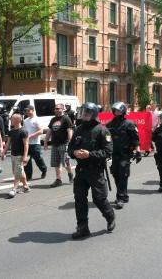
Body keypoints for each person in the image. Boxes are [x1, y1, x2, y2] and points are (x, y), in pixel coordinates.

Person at [67, 102, 115, 240]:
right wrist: (74, 152)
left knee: (99, 198)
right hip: (81, 170)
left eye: (87, 113)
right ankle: (83, 228)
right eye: (83, 112)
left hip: (96, 170)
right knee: (79, 199)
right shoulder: (78, 129)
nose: (84, 115)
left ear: (93, 114)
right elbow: (70, 148)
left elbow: (108, 151)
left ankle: (110, 216)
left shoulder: (102, 130)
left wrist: (90, 154)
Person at [106, 102, 140, 209]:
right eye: (115, 110)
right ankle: (124, 195)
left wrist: (138, 151)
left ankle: (120, 197)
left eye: (119, 110)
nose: (117, 112)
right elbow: (106, 139)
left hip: (125, 154)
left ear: (123, 111)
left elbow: (135, 139)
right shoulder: (109, 125)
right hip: (114, 154)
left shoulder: (129, 124)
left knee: (123, 174)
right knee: (116, 174)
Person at [44, 103, 74, 188]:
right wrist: (46, 142)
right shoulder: (53, 119)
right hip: (54, 144)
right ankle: (58, 179)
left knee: (65, 162)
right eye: (55, 109)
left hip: (63, 143)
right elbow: (49, 131)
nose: (56, 110)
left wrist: (70, 143)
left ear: (62, 109)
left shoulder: (66, 118)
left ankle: (70, 174)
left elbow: (69, 131)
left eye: (58, 108)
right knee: (56, 163)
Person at [3, 113, 30, 198]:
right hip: (13, 155)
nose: (10, 120)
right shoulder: (11, 131)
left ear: (18, 120)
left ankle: (14, 189)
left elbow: (26, 144)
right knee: (18, 172)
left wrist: (25, 156)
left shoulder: (23, 131)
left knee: (17, 173)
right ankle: (26, 186)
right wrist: (4, 152)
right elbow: (8, 143)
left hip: (20, 155)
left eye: (12, 119)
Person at [23, 105, 47, 180]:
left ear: (32, 110)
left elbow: (41, 131)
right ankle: (28, 176)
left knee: (38, 159)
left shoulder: (36, 120)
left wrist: (31, 136)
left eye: (29, 111)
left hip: (35, 143)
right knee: (27, 160)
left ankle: (44, 169)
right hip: (27, 143)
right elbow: (24, 131)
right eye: (26, 111)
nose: (27, 112)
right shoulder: (25, 120)